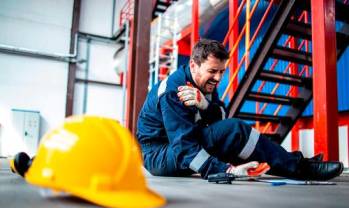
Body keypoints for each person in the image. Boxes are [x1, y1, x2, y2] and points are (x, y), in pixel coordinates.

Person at [137, 38, 343, 180]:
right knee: (234, 130)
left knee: (234, 134)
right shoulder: (175, 91)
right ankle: (300, 168)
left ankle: (296, 164)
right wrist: (226, 170)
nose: (218, 78)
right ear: (193, 65)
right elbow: (184, 147)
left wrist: (205, 105)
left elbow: (221, 115)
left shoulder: (204, 85)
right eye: (212, 71)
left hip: (179, 146)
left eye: (221, 71)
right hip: (159, 155)